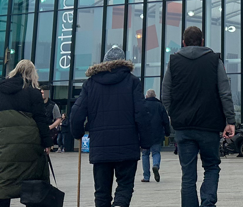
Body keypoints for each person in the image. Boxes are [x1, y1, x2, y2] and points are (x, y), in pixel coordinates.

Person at [162, 26, 235, 207]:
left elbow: (165, 94)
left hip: (184, 128)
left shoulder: (173, 62)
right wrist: (230, 121)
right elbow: (224, 92)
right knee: (211, 166)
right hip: (209, 127)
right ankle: (208, 203)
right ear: (202, 42)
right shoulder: (214, 60)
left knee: (188, 175)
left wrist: (173, 115)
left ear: (183, 42)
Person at [70, 46, 144, 207]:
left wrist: (78, 132)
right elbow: (141, 114)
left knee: (102, 191)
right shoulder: (132, 81)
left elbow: (76, 113)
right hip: (127, 144)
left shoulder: (90, 84)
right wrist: (145, 141)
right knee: (125, 186)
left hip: (101, 145)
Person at [0, 60, 53, 207]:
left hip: (4, 148)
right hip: (29, 147)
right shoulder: (34, 93)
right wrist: (47, 143)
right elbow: (41, 120)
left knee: (1, 185)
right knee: (33, 184)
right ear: (32, 74)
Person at [139, 89, 171, 183]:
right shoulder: (160, 106)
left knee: (145, 154)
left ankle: (146, 177)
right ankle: (156, 165)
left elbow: (138, 119)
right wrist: (167, 132)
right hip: (157, 133)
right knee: (156, 152)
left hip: (145, 134)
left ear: (146, 96)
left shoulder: (142, 105)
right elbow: (165, 120)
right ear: (155, 96)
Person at [40, 85, 62, 149]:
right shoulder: (37, 104)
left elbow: (58, 119)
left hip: (48, 130)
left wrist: (50, 127)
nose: (42, 95)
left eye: (43, 93)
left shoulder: (53, 105)